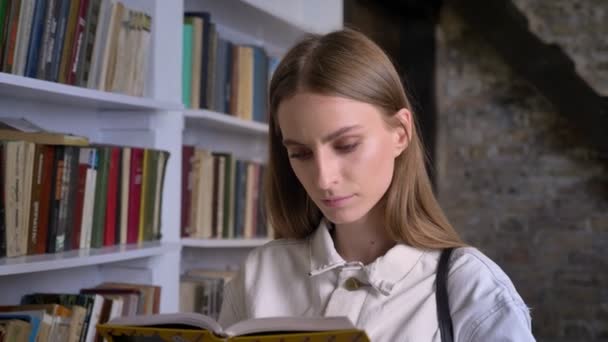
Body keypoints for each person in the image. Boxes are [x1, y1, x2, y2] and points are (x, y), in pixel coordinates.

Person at [218, 29, 535, 341]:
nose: (324, 178)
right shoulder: (258, 275)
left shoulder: (472, 289)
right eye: (300, 153)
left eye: (347, 145)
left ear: (400, 133)